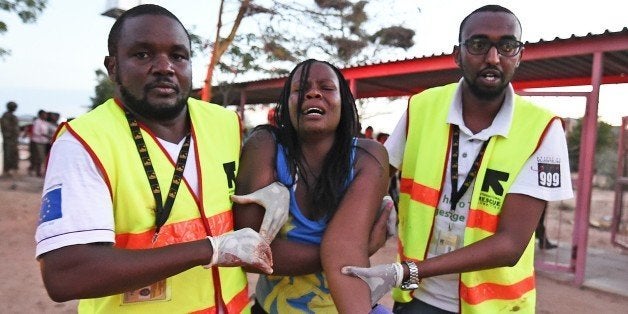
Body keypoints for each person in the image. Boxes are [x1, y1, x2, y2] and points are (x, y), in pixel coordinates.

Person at [35, 4, 286, 313]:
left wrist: (278, 187)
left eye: (178, 56)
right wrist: (209, 249)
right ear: (112, 67)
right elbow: (66, 275)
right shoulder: (85, 142)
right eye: (143, 54)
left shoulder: (224, 123)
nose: (165, 66)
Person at [342, 5, 574, 313]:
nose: (493, 58)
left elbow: (510, 245)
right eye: (478, 45)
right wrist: (379, 205)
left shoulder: (543, 129)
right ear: (457, 53)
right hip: (418, 301)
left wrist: (409, 271)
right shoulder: (421, 108)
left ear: (519, 54)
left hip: (496, 308)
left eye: (507, 46)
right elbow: (372, 179)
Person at [232, 59, 391, 313]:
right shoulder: (265, 145)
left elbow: (344, 249)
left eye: (327, 88)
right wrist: (357, 251)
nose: (313, 93)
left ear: (344, 103)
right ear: (287, 103)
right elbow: (248, 252)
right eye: (300, 89)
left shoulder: (368, 156)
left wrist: (344, 253)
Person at [1, 101, 20, 177]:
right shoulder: (6, 116)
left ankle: (12, 168)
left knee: (13, 154)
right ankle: (7, 170)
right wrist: (10, 135)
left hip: (14, 139)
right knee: (8, 154)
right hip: (9, 139)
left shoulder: (12, 116)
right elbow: (6, 127)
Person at [31, 109, 50, 177]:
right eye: (44, 114)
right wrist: (46, 135)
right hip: (37, 142)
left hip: (44, 142)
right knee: (39, 157)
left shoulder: (45, 122)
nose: (45, 115)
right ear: (40, 115)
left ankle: (38, 171)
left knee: (41, 157)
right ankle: (37, 171)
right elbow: (36, 132)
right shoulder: (37, 122)